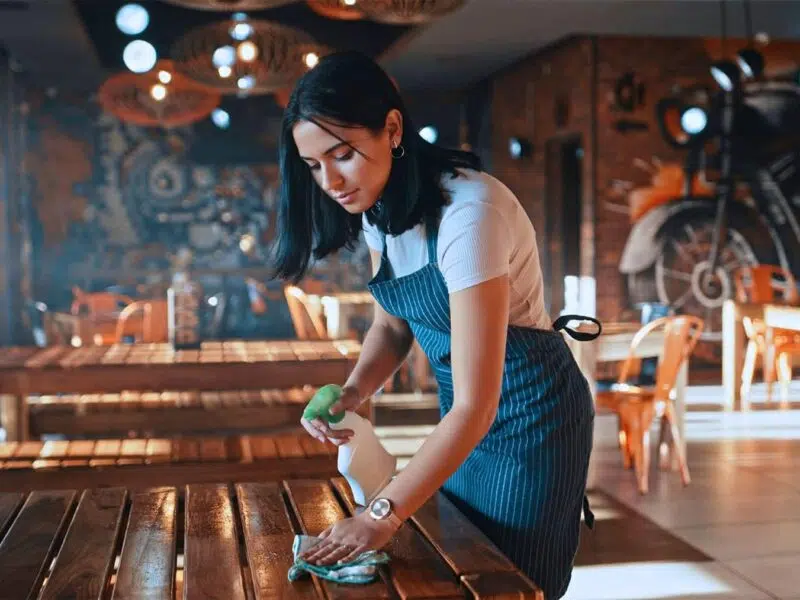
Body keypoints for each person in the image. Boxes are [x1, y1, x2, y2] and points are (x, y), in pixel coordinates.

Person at [272, 50, 598, 599]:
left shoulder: (469, 213)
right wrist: (353, 392)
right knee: (462, 565)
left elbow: (478, 404)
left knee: (513, 582)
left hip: (532, 423)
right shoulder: (380, 210)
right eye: (312, 165)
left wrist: (380, 515)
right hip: (465, 417)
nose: (329, 180)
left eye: (343, 154)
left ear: (392, 128)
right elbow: (394, 327)